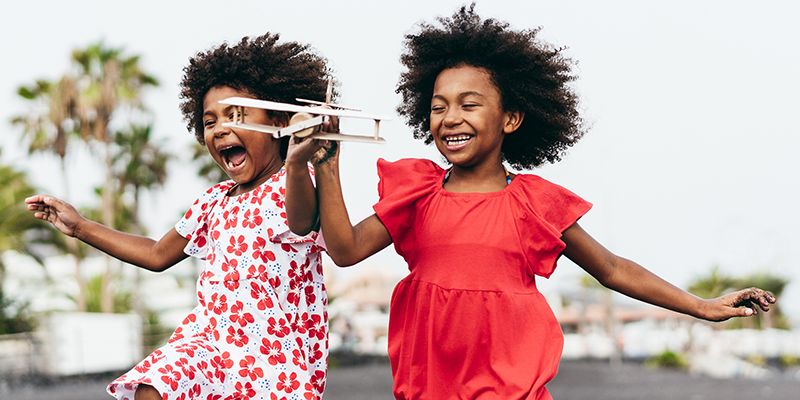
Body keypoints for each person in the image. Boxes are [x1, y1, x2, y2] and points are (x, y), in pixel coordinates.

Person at [288, 5, 777, 399]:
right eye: (438, 107)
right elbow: (346, 248)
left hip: (510, 387)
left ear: (511, 119)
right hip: (428, 386)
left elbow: (611, 268)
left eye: (469, 104)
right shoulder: (418, 191)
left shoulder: (535, 204)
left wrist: (701, 306)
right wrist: (328, 165)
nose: (450, 117)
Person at [26, 33, 333, 400]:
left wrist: (299, 161)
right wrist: (80, 226)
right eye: (209, 121)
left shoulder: (296, 181)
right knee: (156, 384)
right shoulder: (215, 200)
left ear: (279, 120)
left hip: (274, 363)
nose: (220, 129)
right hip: (210, 349)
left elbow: (302, 221)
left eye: (235, 115)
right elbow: (157, 254)